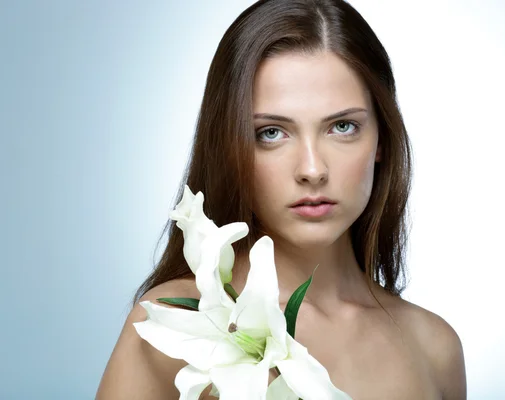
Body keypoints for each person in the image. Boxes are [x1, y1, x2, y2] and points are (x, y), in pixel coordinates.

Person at [96, 0, 467, 398]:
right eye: (271, 132)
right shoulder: (174, 325)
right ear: (230, 147)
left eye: (342, 126)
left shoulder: (434, 348)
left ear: (381, 139)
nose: (312, 169)